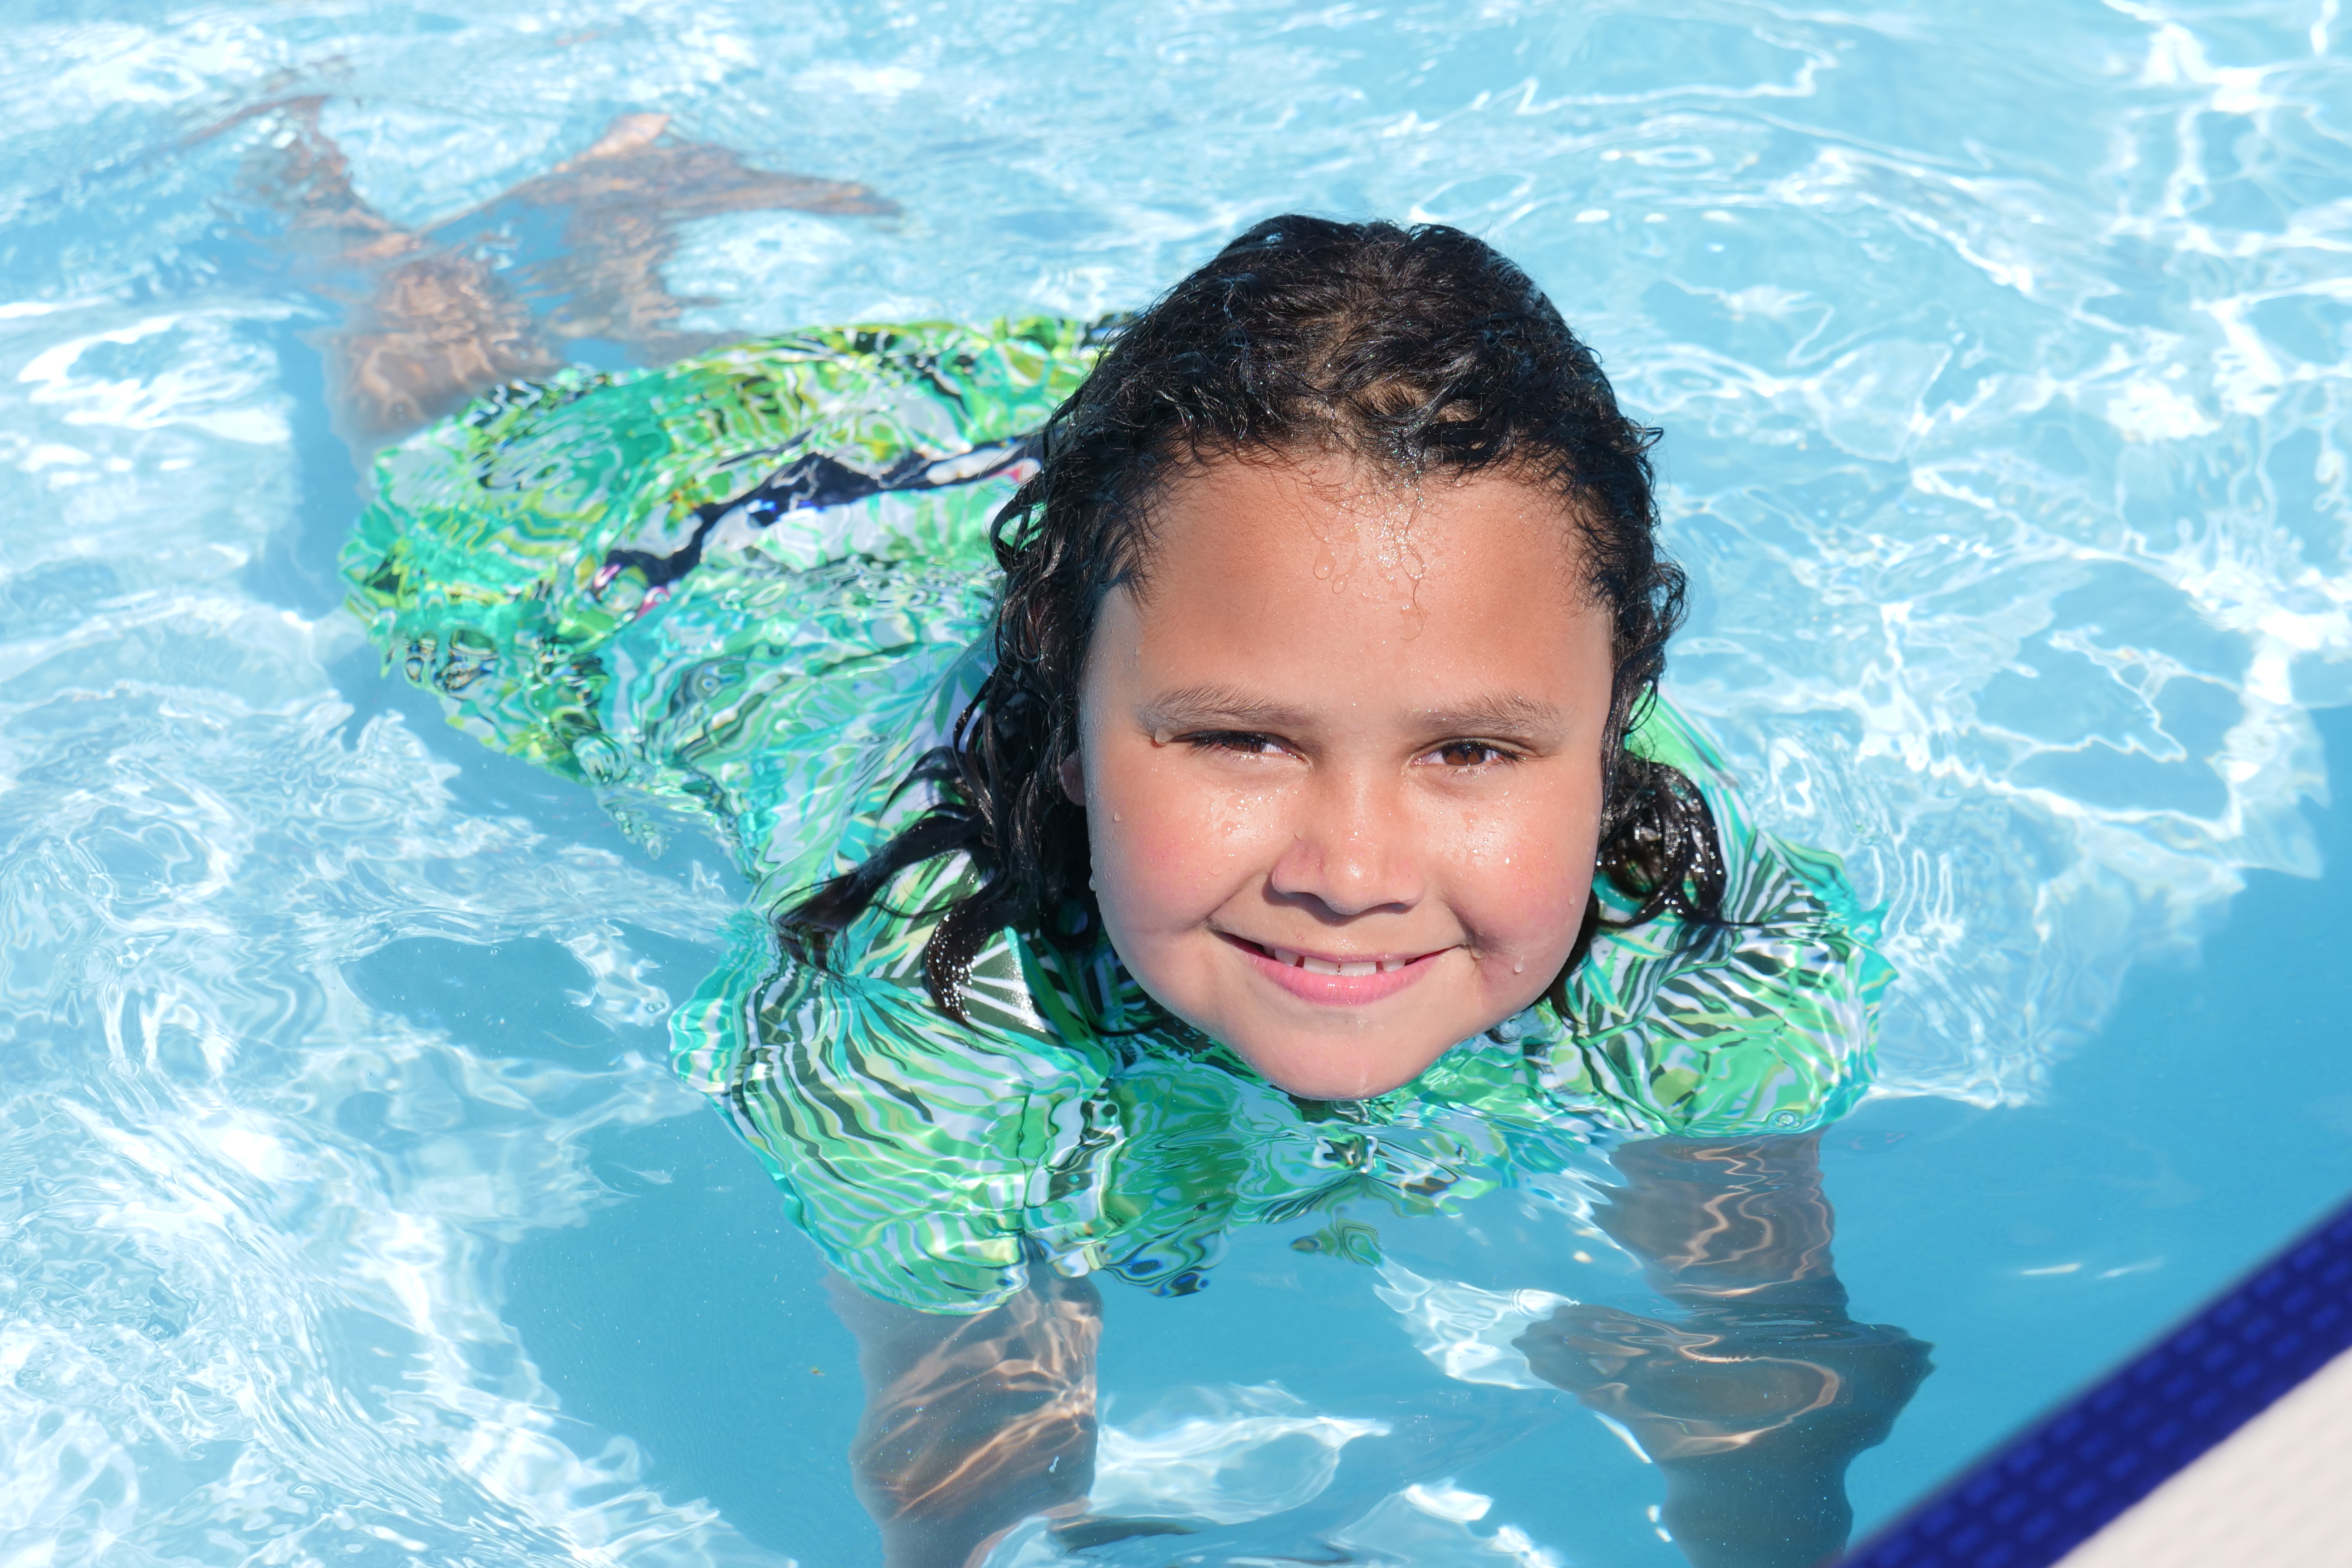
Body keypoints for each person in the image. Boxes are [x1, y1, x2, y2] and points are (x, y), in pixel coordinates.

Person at [297, 107, 1927, 1568]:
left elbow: (1765, 1365)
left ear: (1618, 700)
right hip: (732, 601)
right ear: (1062, 702)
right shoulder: (926, 1011)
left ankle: (616, 240)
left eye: (1475, 749)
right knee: (482, 469)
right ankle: (337, 216)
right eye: (1236, 739)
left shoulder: (1707, 950)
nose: (1352, 872)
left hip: (1174, 534)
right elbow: (974, 1468)